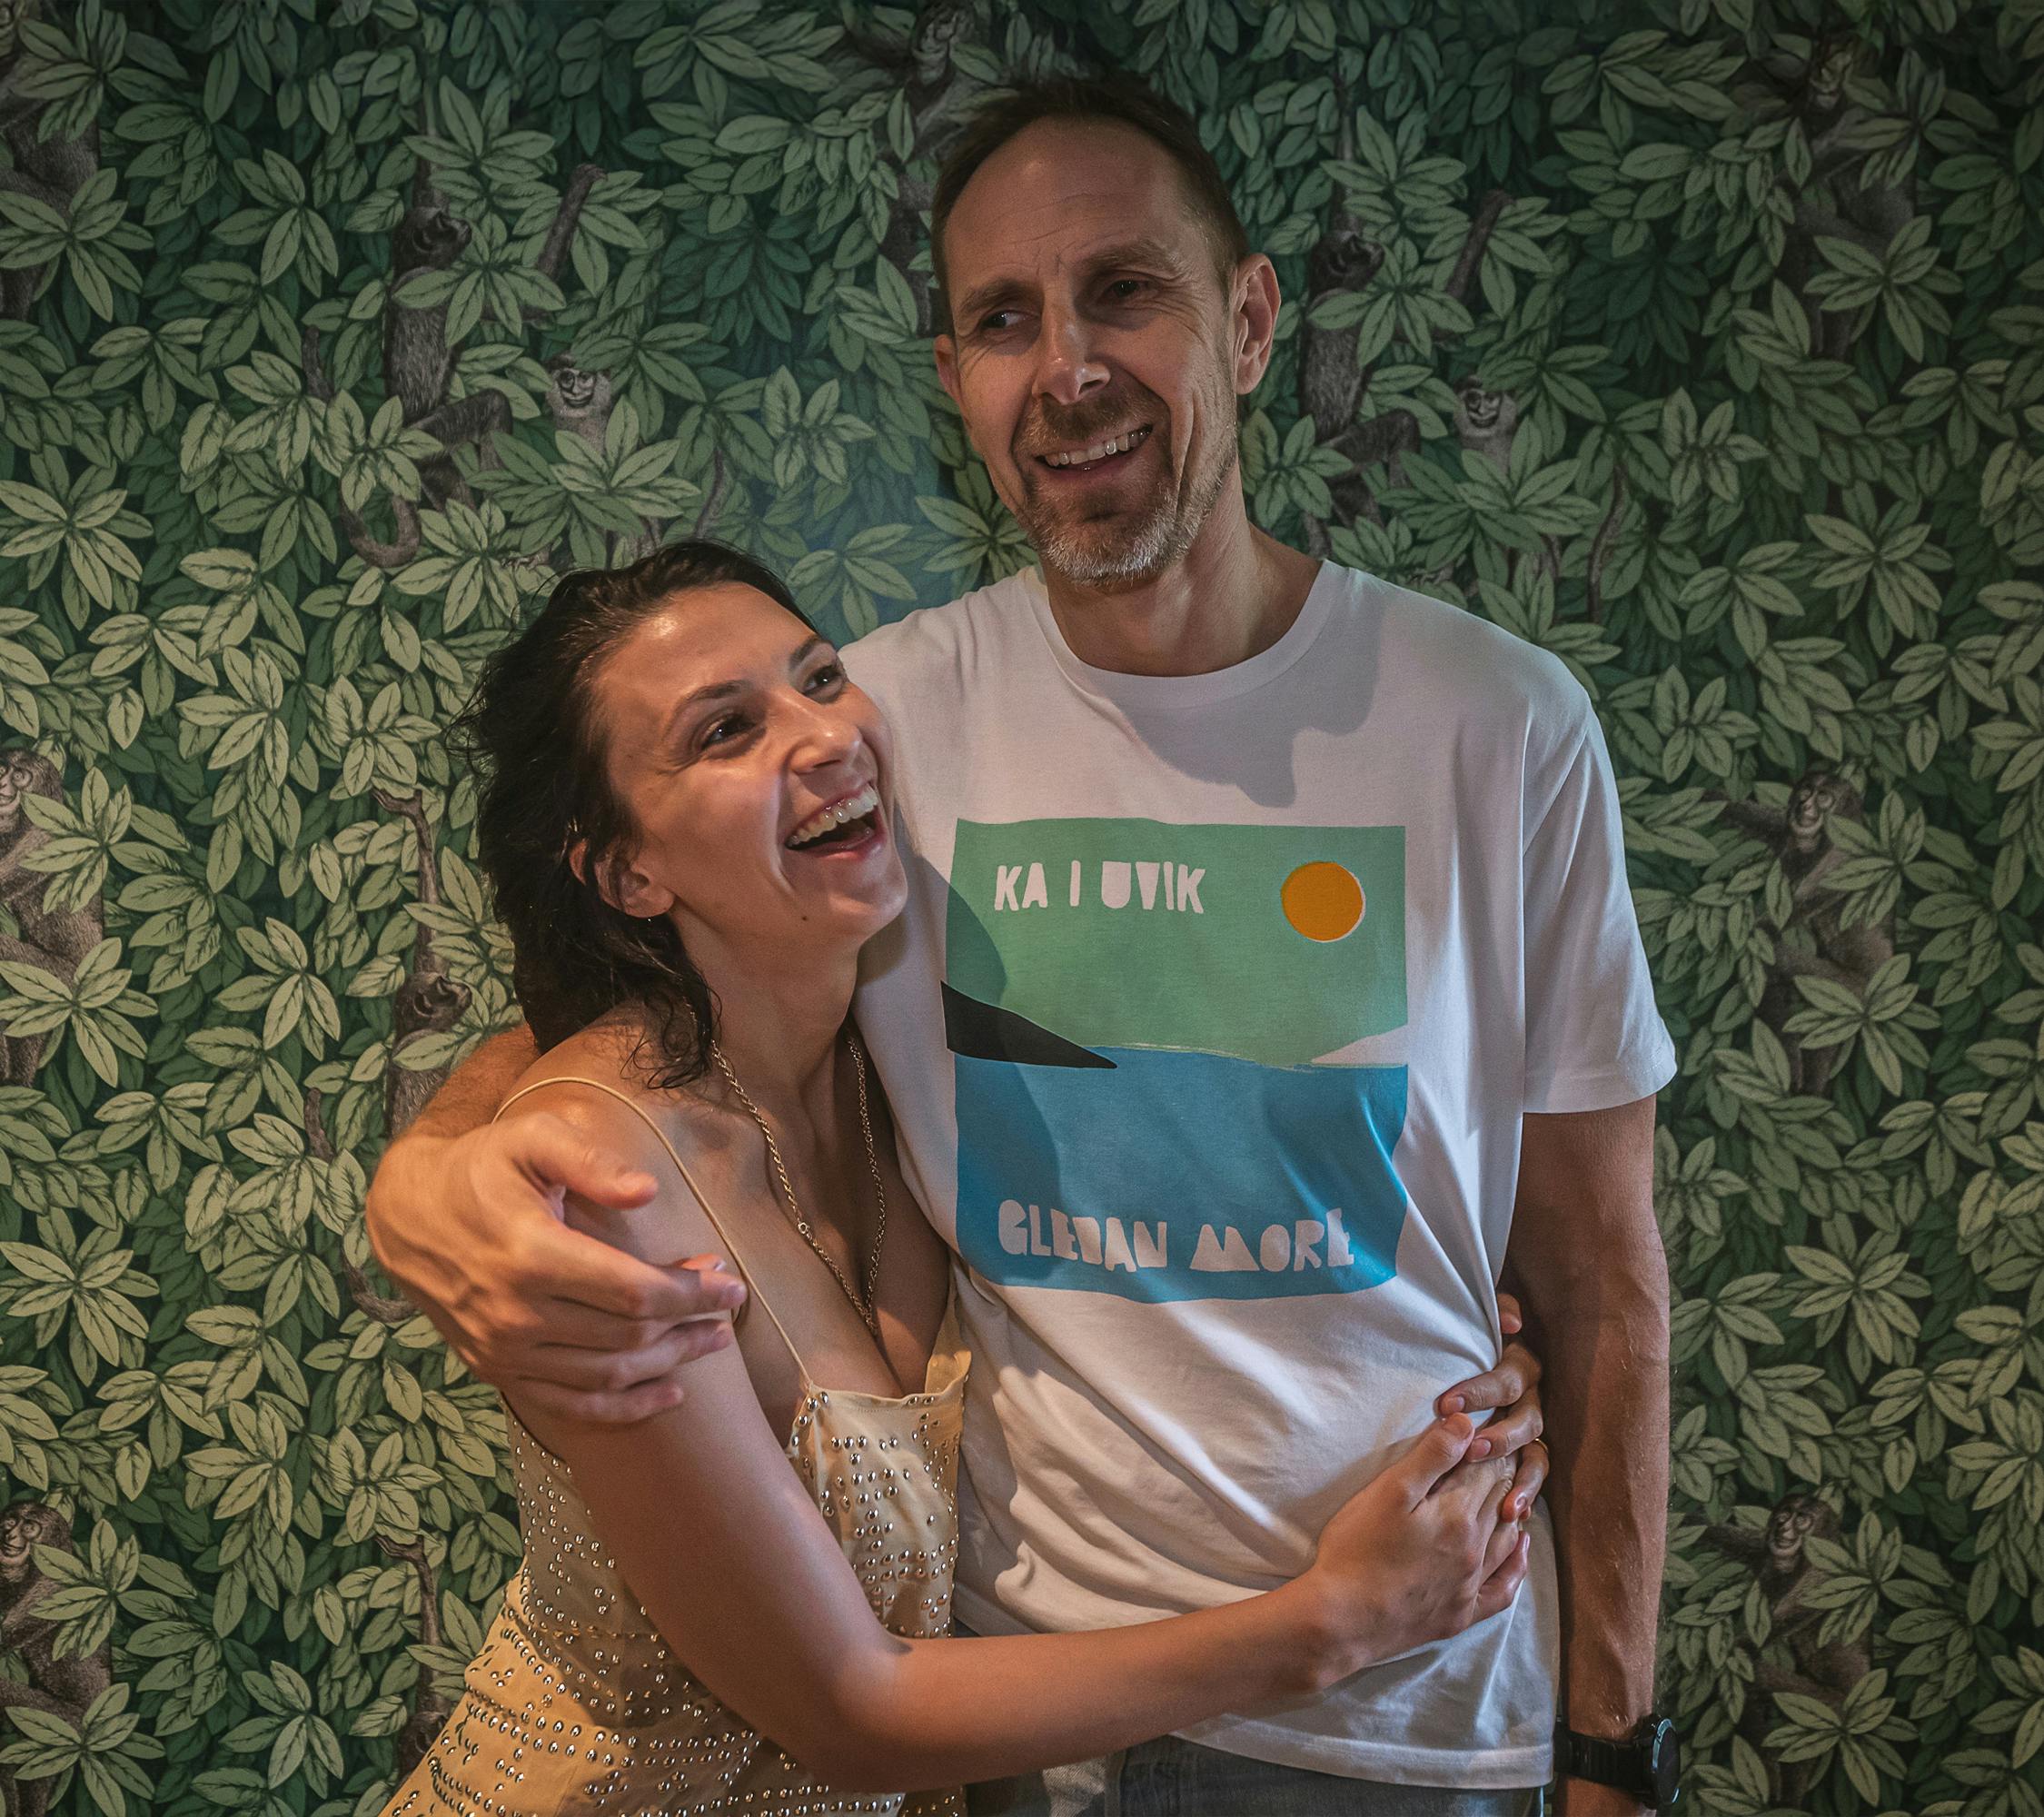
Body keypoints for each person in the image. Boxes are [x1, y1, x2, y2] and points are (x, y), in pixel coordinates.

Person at [370, 74, 1678, 1817]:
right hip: (1024, 1719)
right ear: (955, 379)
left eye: (1122, 290)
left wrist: (1613, 1749)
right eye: (1003, 319)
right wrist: (429, 1182)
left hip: (1416, 1709)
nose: (1066, 368)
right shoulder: (875, 726)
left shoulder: (1496, 723)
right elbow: (621, 1018)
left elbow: (1601, 1283)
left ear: (1250, 320)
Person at [378, 541, 1533, 1814]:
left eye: (820, 678)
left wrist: (1426, 1326)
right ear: (626, 871)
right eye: (724, 731)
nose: (825, 736)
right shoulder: (604, 1191)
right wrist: (1334, 1620)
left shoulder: (882, 1057)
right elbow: (848, 1712)